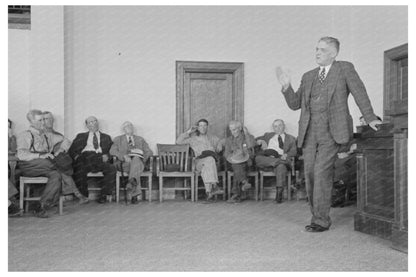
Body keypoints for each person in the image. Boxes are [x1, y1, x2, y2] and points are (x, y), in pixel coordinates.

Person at [276, 36, 382, 232]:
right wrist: (286, 87)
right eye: (316, 49)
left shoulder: (344, 68)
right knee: (309, 175)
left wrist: (369, 117)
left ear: (333, 53)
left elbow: (359, 92)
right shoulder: (308, 76)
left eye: (322, 50)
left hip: (332, 132)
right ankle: (317, 214)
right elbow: (294, 104)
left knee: (321, 173)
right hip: (308, 133)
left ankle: (320, 220)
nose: (317, 52)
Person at [16, 109, 63, 218]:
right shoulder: (25, 135)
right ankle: (60, 167)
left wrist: (60, 150)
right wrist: (40, 156)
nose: (43, 122)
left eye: (43, 120)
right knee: (55, 165)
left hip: (44, 165)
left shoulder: (45, 135)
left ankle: (40, 205)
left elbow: (62, 140)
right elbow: (21, 155)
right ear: (31, 121)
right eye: (40, 120)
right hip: (29, 165)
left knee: (56, 175)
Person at [43, 111, 89, 204]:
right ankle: (77, 194)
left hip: (55, 159)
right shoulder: (38, 133)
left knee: (63, 164)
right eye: (47, 119)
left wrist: (61, 149)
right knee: (61, 167)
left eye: (51, 119)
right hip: (43, 159)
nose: (50, 121)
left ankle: (66, 196)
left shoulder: (57, 134)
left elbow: (67, 142)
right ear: (42, 121)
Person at [68, 116, 116, 204]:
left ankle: (103, 195)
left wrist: (108, 156)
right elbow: (71, 150)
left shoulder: (106, 137)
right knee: (81, 165)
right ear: (87, 125)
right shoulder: (80, 136)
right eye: (90, 122)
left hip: (101, 160)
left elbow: (113, 150)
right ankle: (84, 196)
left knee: (111, 168)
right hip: (85, 159)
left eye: (95, 121)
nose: (93, 123)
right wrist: (77, 158)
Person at [176, 119, 223, 203]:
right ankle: (214, 185)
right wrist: (189, 132)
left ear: (207, 127)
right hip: (198, 162)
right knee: (210, 160)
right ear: (198, 127)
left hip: (210, 164)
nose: (203, 127)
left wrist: (220, 144)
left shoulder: (212, 138)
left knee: (208, 164)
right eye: (201, 125)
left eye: (205, 125)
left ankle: (209, 193)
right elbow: (179, 141)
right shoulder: (193, 139)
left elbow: (221, 142)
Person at [110, 121, 153, 205]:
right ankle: (134, 194)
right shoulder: (118, 139)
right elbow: (112, 151)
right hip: (124, 164)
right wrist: (123, 156)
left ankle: (131, 185)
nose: (129, 127)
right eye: (127, 126)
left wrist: (142, 158)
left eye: (131, 126)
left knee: (136, 160)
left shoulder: (140, 139)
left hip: (138, 163)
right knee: (136, 166)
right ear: (123, 129)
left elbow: (149, 151)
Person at [255, 119, 297, 203]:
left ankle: (279, 195)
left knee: (281, 167)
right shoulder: (267, 135)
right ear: (273, 128)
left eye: (280, 125)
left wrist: (287, 155)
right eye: (275, 126)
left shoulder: (290, 138)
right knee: (258, 158)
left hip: (282, 158)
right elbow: (253, 140)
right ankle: (279, 161)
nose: (278, 128)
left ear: (284, 126)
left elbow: (294, 151)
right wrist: (259, 141)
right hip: (268, 159)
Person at [224, 120, 255, 203]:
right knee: (236, 165)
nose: (232, 132)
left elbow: (251, 146)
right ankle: (244, 182)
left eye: (234, 129)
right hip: (232, 162)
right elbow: (226, 154)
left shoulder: (248, 137)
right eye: (231, 130)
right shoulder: (228, 140)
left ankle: (236, 194)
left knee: (237, 168)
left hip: (246, 162)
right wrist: (233, 158)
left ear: (240, 128)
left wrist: (246, 134)